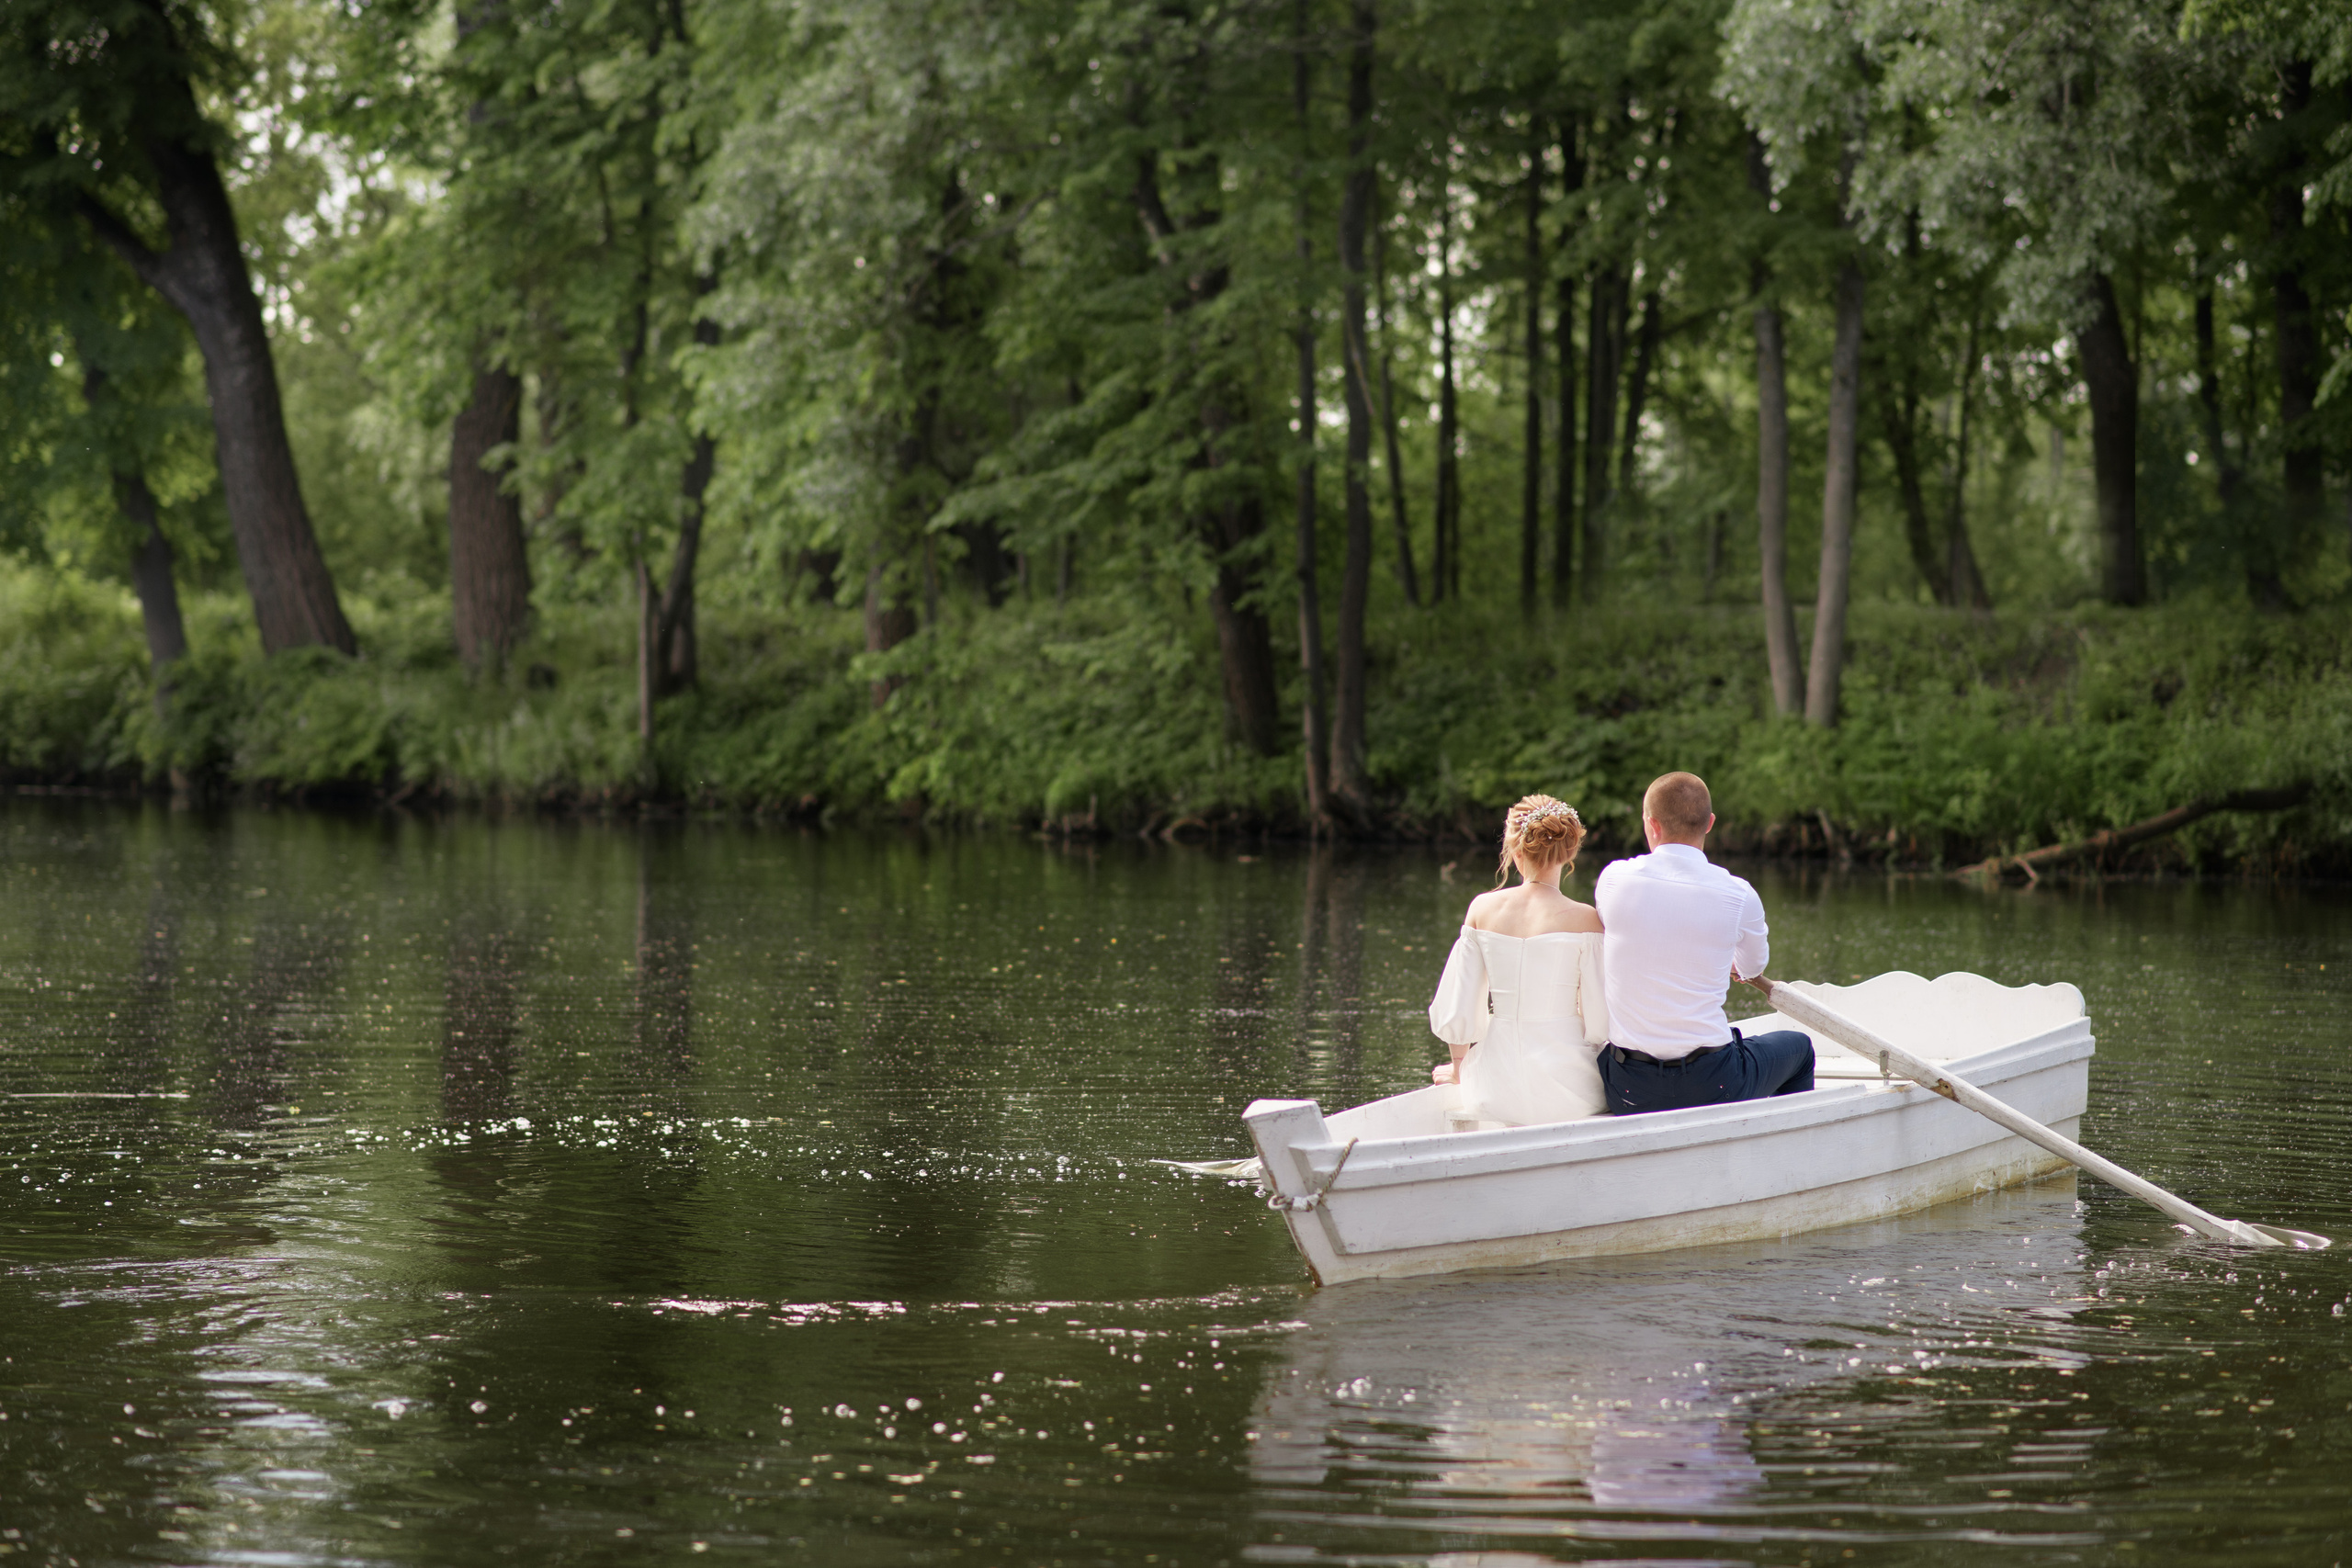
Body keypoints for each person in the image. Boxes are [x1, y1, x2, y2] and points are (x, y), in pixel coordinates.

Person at [1592, 772, 1813, 1113]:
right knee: (1799, 1048)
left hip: (1629, 1087)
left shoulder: (1613, 880)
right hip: (1712, 1082)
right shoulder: (1739, 894)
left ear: (1652, 824)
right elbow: (1752, 968)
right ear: (1709, 823)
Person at [1426, 795, 1610, 1125]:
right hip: (1569, 1086)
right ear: (1570, 852)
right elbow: (1600, 1016)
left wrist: (1458, 1069)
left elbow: (1461, 1000)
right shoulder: (1586, 918)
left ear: (1515, 850)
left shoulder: (1482, 908)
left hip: (1494, 1084)